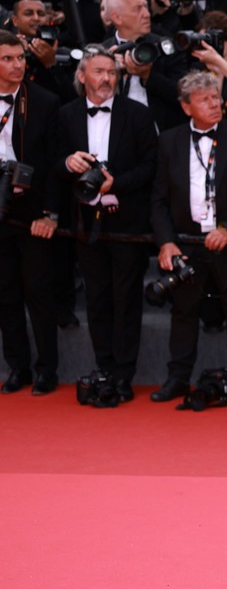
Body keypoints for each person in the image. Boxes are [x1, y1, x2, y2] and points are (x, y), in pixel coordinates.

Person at [147, 71, 227, 405]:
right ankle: (177, 378)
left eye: (216, 97)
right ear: (186, 107)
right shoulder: (169, 141)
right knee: (183, 312)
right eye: (204, 99)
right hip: (186, 241)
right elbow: (158, 199)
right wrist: (166, 241)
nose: (215, 104)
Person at [51, 45, 158, 404]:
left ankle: (124, 374)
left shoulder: (138, 114)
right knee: (97, 299)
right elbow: (53, 162)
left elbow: (151, 166)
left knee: (126, 299)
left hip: (127, 222)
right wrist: (68, 162)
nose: (107, 78)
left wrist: (117, 184)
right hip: (85, 223)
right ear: (82, 76)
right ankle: (104, 368)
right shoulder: (65, 115)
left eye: (112, 72)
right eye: (99, 72)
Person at [0, 30, 62, 396]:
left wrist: (50, 213)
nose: (17, 65)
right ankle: (17, 367)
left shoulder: (44, 101)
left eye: (20, 58)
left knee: (39, 293)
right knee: (5, 294)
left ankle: (46, 370)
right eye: (7, 59)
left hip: (33, 212)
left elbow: (55, 163)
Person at [101, 0, 190, 130]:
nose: (147, 14)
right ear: (117, 18)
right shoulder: (102, 52)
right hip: (115, 131)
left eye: (146, 7)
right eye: (138, 9)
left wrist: (148, 76)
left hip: (160, 132)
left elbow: (184, 94)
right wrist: (108, 71)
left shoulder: (167, 47)